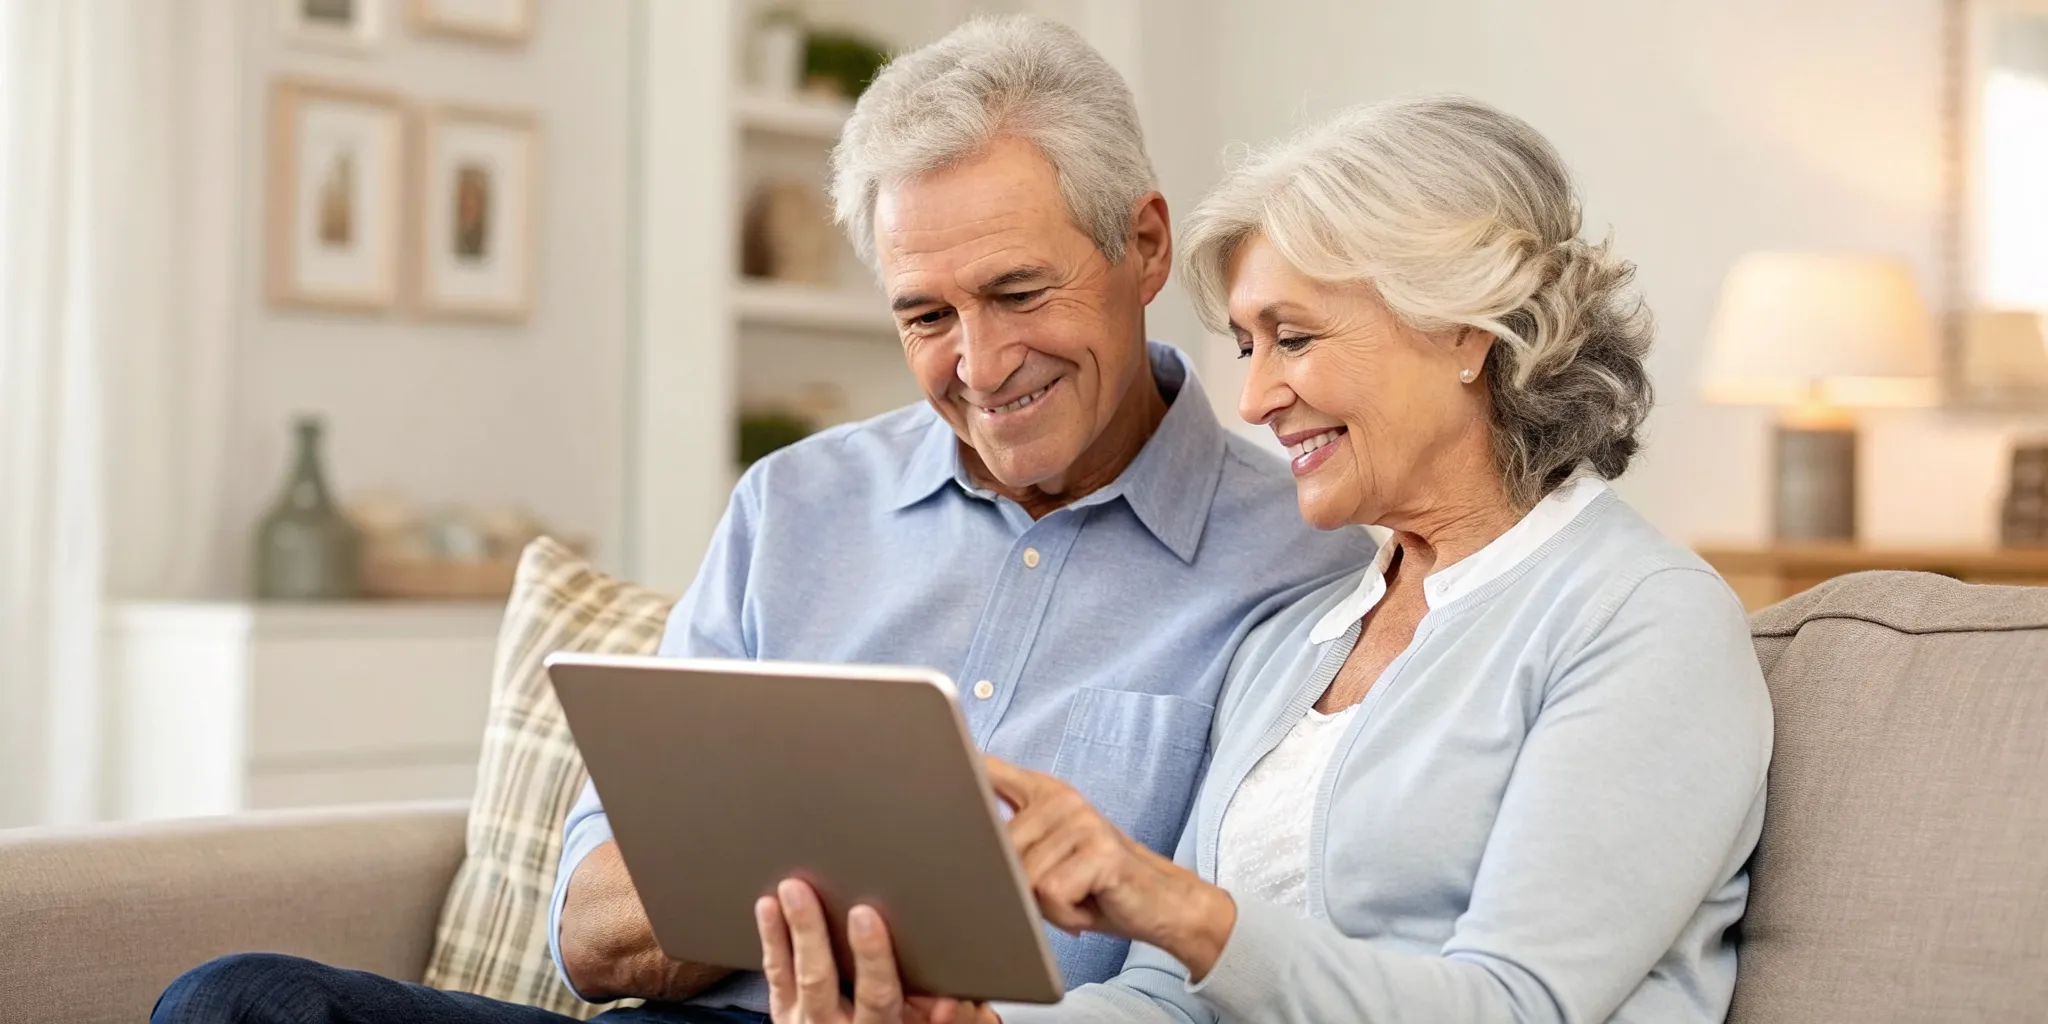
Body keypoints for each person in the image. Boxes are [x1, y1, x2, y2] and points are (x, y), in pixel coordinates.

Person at [149, 16, 1369, 1024]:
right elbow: (587, 927)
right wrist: (816, 892)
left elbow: (1231, 961)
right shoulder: (795, 506)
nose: (980, 363)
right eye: (925, 315)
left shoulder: (1307, 555)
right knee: (236, 1001)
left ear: (1141, 245)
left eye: (1015, 292)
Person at [757, 95, 1774, 1024]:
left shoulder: (1640, 618)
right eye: (1248, 346)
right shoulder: (1308, 629)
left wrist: (1181, 910)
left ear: (1464, 331)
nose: (1253, 400)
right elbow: (1174, 995)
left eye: (1291, 337)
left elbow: (1514, 1007)